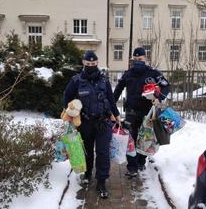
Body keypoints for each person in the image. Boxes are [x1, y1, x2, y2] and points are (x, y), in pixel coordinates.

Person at [64, 50, 121, 198]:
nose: (91, 66)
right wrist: (70, 112)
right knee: (87, 151)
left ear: (97, 63)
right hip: (85, 123)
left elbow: (111, 99)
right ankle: (88, 173)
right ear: (84, 63)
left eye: (93, 64)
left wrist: (117, 115)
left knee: (103, 152)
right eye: (88, 64)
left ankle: (101, 182)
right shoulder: (76, 81)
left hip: (103, 122)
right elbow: (67, 97)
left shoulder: (104, 80)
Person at [113, 47, 170, 177]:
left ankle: (141, 162)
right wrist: (111, 107)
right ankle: (132, 167)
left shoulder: (153, 73)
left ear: (145, 58)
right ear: (132, 59)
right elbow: (117, 90)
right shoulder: (128, 74)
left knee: (145, 138)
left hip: (147, 113)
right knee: (131, 139)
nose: (138, 61)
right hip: (131, 112)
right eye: (136, 59)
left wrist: (158, 97)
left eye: (141, 59)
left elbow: (166, 86)